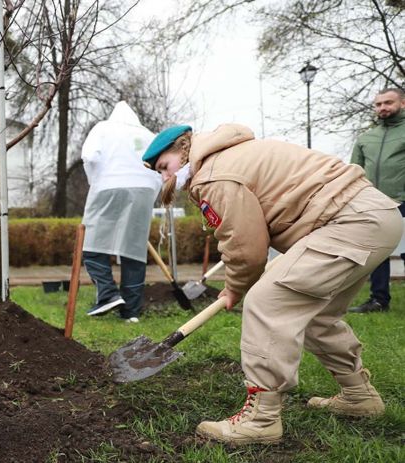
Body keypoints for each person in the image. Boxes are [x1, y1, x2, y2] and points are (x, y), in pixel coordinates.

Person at [142, 123, 401, 445]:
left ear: (182, 149)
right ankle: (359, 395)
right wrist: (238, 280)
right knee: (317, 315)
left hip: (350, 222)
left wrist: (236, 286)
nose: (166, 178)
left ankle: (261, 419)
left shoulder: (213, 174)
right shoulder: (228, 156)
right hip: (375, 217)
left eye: (165, 168)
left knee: (268, 301)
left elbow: (246, 249)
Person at [80, 101, 160, 322]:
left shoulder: (103, 128)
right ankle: (131, 313)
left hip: (109, 185)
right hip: (144, 190)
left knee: (92, 244)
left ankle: (107, 294)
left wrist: (94, 181)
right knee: (133, 250)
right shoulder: (148, 134)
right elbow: (159, 167)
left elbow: (90, 156)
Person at [348, 88, 405, 313]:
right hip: (377, 202)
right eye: (378, 104)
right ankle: (379, 300)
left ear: (402, 103)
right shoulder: (366, 138)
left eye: (388, 103)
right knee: (377, 252)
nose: (382, 108)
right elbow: (354, 172)